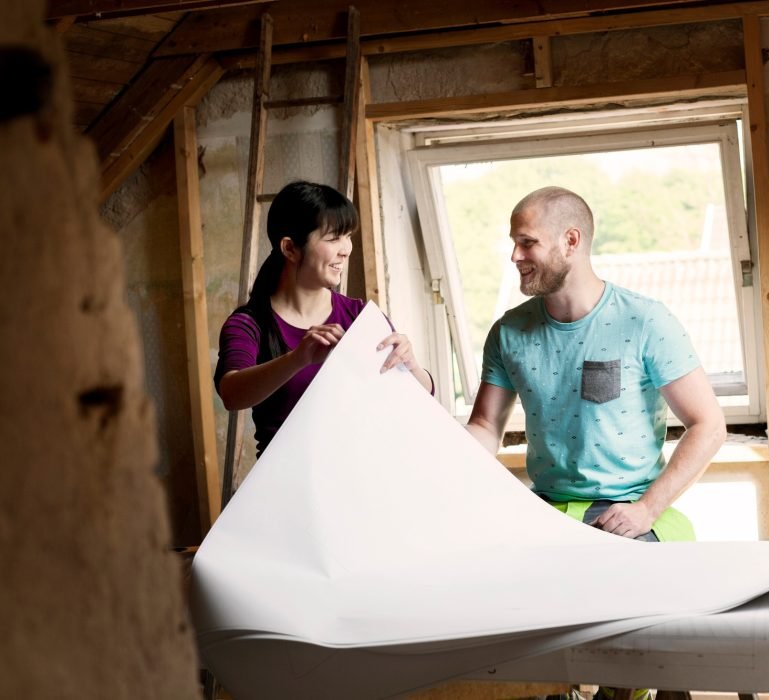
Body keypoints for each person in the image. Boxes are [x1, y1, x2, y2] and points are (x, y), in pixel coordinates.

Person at [466, 186, 725, 543]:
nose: (515, 255)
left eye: (527, 242)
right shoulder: (508, 332)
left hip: (631, 508)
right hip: (545, 509)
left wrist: (647, 510)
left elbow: (709, 425)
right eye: (514, 242)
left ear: (570, 241)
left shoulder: (646, 321)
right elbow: (484, 426)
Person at [215, 180, 434, 457]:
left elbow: (420, 397)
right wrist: (299, 358)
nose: (346, 249)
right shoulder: (249, 323)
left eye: (348, 236)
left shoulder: (358, 316)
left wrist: (411, 364)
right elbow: (231, 394)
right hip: (287, 487)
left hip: (363, 479)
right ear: (290, 249)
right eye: (333, 238)